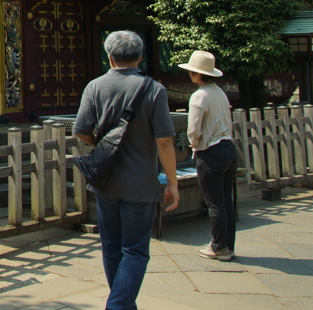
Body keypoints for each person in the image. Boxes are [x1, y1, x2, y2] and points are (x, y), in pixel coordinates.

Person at [74, 31, 179, 310]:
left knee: (111, 245)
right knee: (134, 250)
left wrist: (105, 144)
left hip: (106, 179)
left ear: (109, 56)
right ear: (140, 57)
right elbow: (165, 141)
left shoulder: (95, 87)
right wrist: (172, 182)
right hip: (140, 180)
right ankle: (119, 304)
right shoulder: (154, 89)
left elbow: (81, 131)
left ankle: (122, 302)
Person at [180, 50, 236, 261]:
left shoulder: (199, 96)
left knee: (214, 203)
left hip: (211, 151)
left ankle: (218, 246)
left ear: (195, 74)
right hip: (228, 147)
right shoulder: (220, 92)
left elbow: (193, 129)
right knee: (225, 201)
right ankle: (228, 245)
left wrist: (194, 144)